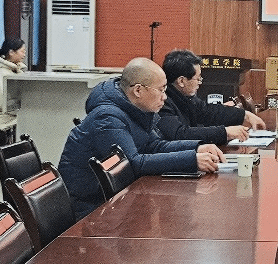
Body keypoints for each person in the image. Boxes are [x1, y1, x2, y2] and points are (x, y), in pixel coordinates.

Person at [59, 58, 225, 218]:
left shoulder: (134, 109)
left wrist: (197, 147)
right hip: (91, 210)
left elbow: (155, 145)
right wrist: (192, 160)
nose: (165, 97)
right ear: (138, 90)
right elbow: (133, 164)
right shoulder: (107, 117)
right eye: (161, 90)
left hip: (116, 203)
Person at [156, 50, 264, 144]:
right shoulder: (162, 102)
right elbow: (180, 134)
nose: (200, 83)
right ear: (181, 81)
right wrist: (225, 133)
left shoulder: (186, 97)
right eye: (197, 79)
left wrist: (244, 115)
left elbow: (210, 112)